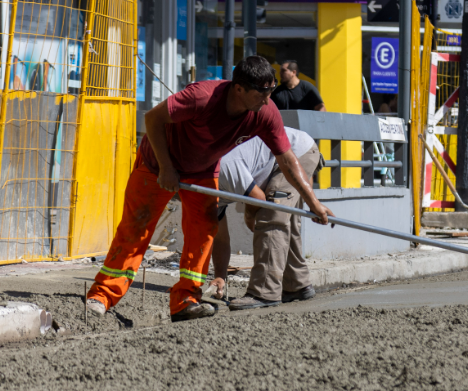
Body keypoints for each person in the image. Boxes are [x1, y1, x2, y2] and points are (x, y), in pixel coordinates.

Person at [85, 56, 334, 322]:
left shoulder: (265, 112)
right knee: (137, 228)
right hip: (156, 164)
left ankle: (185, 300)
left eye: (270, 91)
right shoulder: (201, 97)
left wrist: (313, 203)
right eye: (261, 93)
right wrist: (167, 168)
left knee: (203, 232)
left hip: (203, 170)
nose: (267, 100)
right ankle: (102, 296)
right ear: (238, 88)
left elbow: (287, 160)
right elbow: (153, 119)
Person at [208, 127, 322, 308]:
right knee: (286, 222)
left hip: (294, 152)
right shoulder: (203, 195)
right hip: (281, 156)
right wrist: (220, 276)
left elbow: (258, 199)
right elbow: (220, 239)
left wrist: (248, 214)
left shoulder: (224, 167)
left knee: (271, 216)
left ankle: (264, 292)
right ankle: (297, 284)